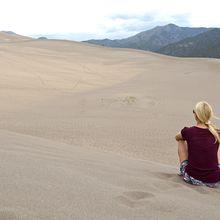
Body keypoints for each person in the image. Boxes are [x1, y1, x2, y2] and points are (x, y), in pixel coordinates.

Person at [175, 101, 220, 187]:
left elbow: (177, 137)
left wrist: (191, 141)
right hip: (215, 179)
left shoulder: (188, 131)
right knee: (217, 142)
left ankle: (186, 168)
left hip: (192, 177)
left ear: (196, 115)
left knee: (181, 140)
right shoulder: (216, 133)